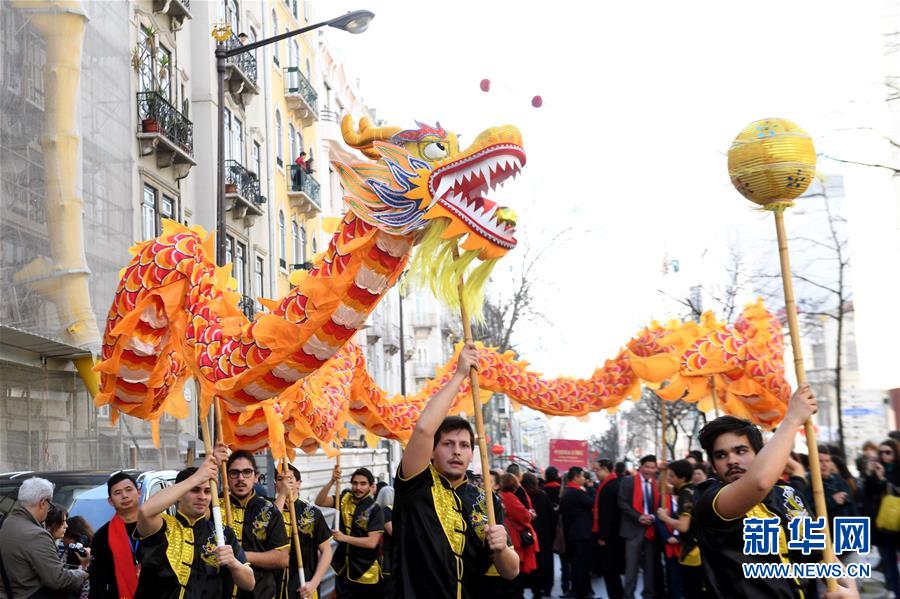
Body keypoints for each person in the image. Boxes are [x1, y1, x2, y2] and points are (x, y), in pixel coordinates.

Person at [390, 343, 519, 599]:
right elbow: (425, 428)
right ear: (433, 450)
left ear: (472, 454)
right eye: (448, 444)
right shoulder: (416, 483)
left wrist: (502, 548)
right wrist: (459, 374)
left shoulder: (486, 501)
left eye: (464, 445)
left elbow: (511, 571)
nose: (457, 452)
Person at [691, 385, 820, 598]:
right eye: (721, 455)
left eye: (740, 451)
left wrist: (846, 586)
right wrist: (791, 420)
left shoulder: (786, 494)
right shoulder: (709, 498)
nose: (731, 460)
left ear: (759, 454)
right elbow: (759, 482)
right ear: (713, 465)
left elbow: (820, 551)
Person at [134, 451, 255, 598]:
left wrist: (234, 563)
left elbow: (249, 583)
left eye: (207, 491)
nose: (202, 497)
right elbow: (144, 511)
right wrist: (197, 477)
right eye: (195, 490)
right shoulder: (163, 526)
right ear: (179, 494)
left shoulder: (222, 533)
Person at [0, 477, 89, 598]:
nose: (49, 509)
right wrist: (83, 573)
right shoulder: (36, 535)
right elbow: (58, 580)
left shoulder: (6, 523)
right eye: (50, 505)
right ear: (43, 503)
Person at [222, 449, 290, 599]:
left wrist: (239, 556)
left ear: (256, 477)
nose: (240, 478)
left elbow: (282, 558)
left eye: (247, 472)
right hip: (220, 591)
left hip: (259, 593)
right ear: (226, 477)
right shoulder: (213, 507)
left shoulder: (268, 510)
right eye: (234, 473)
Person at [315, 466, 384, 598]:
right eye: (355, 483)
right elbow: (320, 501)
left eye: (363, 484)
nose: (358, 487)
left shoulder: (375, 509)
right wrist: (331, 481)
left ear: (371, 486)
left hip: (366, 570)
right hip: (343, 568)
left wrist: (344, 538)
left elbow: (371, 542)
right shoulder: (344, 499)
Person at [274, 464, 333, 599]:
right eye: (279, 479)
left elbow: (327, 551)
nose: (284, 482)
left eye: (289, 478)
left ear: (299, 483)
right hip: (273, 586)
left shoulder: (311, 513)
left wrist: (314, 582)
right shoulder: (265, 510)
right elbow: (271, 521)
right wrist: (282, 495)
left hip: (302, 584)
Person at [90, 471, 142, 599]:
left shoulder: (157, 526)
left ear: (139, 492)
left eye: (129, 489)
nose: (124, 496)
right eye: (117, 493)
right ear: (110, 501)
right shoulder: (102, 536)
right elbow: (98, 580)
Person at [655, 459, 702, 598]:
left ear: (681, 478)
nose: (668, 479)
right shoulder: (688, 488)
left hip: (694, 552)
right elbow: (661, 488)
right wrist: (663, 472)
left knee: (692, 591)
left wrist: (665, 518)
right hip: (695, 548)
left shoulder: (686, 495)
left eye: (671, 476)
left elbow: (683, 526)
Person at [618, 454, 660, 599]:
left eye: (652, 467)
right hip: (632, 530)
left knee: (650, 567)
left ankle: (648, 595)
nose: (649, 470)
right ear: (641, 467)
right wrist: (638, 517)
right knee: (631, 568)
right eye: (647, 467)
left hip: (651, 530)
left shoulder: (658, 483)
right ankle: (628, 595)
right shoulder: (628, 481)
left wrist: (653, 517)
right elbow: (622, 502)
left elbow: (661, 505)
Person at [865, 438, 900, 597]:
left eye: (888, 452)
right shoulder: (875, 472)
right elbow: (868, 493)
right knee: (889, 564)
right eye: (881, 453)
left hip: (898, 524)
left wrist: (886, 481)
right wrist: (875, 475)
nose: (885, 456)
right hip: (883, 526)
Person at [499, 474, 538, 598]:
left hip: (508, 535)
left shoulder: (501, 496)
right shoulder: (509, 497)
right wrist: (529, 514)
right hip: (513, 537)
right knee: (516, 571)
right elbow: (523, 516)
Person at [559, 467, 593, 599]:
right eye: (583, 476)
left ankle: (579, 590)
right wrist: (590, 488)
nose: (585, 479)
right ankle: (581, 591)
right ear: (576, 477)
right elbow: (591, 502)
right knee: (580, 564)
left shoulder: (568, 491)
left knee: (577, 564)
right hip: (580, 534)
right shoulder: (576, 492)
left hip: (573, 533)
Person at [594, 459, 624, 599]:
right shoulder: (611, 484)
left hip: (610, 537)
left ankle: (615, 595)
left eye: (597, 470)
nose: (595, 473)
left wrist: (602, 537)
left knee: (610, 570)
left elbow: (606, 514)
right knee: (612, 571)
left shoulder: (609, 487)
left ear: (605, 469)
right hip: (614, 535)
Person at [521, 472, 555, 599]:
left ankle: (534, 588)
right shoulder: (542, 496)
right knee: (545, 563)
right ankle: (546, 588)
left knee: (532, 563)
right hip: (544, 536)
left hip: (528, 537)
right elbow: (551, 518)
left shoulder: (523, 496)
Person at [374, 485, 394, 598]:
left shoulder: (382, 512)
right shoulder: (386, 512)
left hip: (385, 555)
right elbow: (393, 532)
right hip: (387, 556)